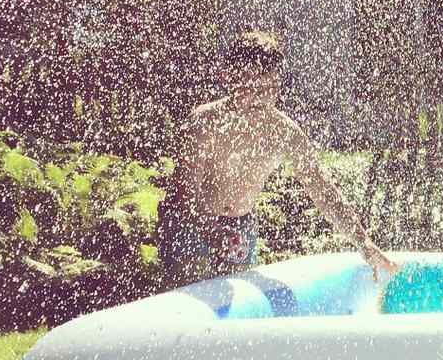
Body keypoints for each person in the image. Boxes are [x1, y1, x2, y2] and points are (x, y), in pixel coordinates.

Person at [159, 29, 396, 286]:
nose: (259, 94)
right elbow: (186, 190)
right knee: (191, 306)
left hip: (240, 226)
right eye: (250, 83)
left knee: (239, 316)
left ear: (277, 85)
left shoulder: (284, 132)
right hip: (190, 224)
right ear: (227, 78)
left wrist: (365, 244)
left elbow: (322, 190)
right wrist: (210, 231)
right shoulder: (205, 122)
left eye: (267, 85)